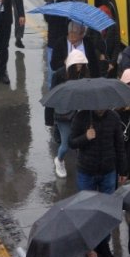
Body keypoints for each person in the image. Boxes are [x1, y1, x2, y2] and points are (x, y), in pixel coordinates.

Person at [69, 104, 128, 193]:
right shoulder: (81, 116)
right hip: (86, 172)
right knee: (85, 204)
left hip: (108, 172)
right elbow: (71, 143)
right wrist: (86, 137)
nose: (100, 109)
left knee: (107, 204)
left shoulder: (114, 117)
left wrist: (123, 171)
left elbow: (119, 146)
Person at [51, 49, 89, 178]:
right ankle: (59, 160)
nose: (79, 67)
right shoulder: (59, 75)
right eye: (77, 64)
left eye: (81, 64)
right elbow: (53, 95)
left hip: (78, 113)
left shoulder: (84, 75)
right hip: (64, 114)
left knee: (81, 142)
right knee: (66, 144)